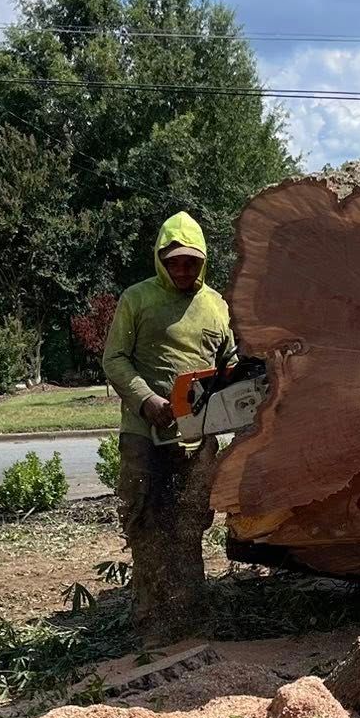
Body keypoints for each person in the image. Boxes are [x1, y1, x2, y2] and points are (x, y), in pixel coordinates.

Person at [101, 211, 237, 642]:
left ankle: (190, 616)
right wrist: (146, 399)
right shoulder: (137, 299)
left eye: (190, 262)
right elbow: (114, 359)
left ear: (202, 261)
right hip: (145, 434)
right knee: (147, 521)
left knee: (190, 522)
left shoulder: (216, 305)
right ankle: (152, 621)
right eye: (173, 262)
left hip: (198, 437)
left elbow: (230, 361)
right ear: (161, 260)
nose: (182, 270)